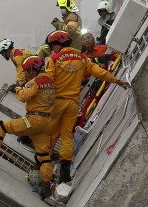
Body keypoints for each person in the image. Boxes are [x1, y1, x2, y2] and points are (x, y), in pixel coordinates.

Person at [45, 30, 130, 184]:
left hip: (57, 103)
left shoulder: (54, 59)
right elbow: (99, 72)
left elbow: (47, 83)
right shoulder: (82, 58)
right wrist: (118, 81)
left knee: (50, 134)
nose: (53, 49)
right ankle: (65, 173)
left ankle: (44, 166)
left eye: (53, 46)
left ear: (57, 45)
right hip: (72, 104)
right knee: (66, 137)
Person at [0, 56, 58, 200]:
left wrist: (17, 87)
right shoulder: (51, 82)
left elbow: (23, 96)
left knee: (2, 127)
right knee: (43, 156)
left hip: (33, 121)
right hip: (47, 122)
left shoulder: (36, 82)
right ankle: (46, 187)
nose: (27, 74)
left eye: (28, 70)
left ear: (34, 68)